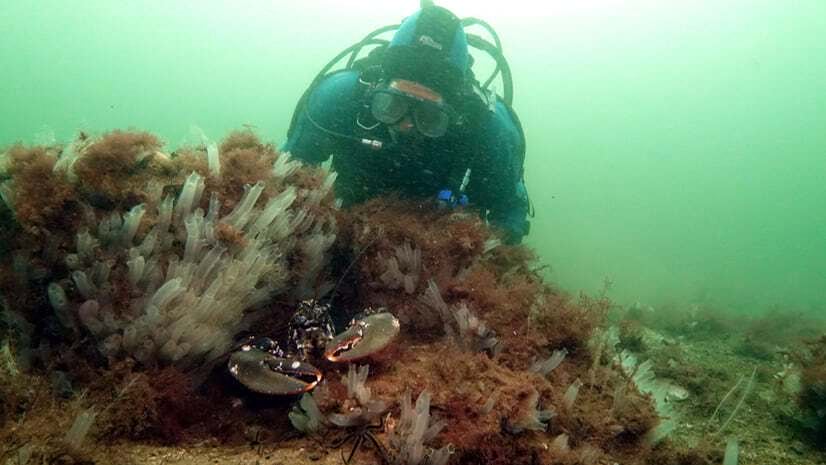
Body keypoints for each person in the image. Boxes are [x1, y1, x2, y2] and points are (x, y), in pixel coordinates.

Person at [282, 4, 530, 243]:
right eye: (393, 105)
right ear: (377, 89)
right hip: (344, 227)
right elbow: (291, 172)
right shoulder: (340, 96)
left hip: (441, 245)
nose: (407, 125)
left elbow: (509, 213)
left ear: (453, 112)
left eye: (428, 115)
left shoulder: (489, 130)